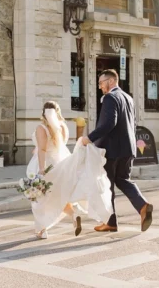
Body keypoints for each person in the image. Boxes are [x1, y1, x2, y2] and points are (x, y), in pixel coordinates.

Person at [27, 101, 113, 239]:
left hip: (47, 164)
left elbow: (43, 150)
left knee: (41, 198)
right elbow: (60, 144)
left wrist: (42, 169)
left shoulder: (41, 128)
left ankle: (42, 230)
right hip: (62, 162)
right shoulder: (63, 127)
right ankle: (74, 215)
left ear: (43, 112)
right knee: (61, 194)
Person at [82, 69, 153, 233]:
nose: (100, 87)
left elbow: (108, 124)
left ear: (111, 81)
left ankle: (111, 222)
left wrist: (90, 138)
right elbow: (133, 124)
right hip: (128, 148)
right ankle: (142, 206)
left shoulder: (110, 97)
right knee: (122, 179)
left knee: (108, 186)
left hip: (112, 150)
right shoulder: (128, 98)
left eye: (101, 83)